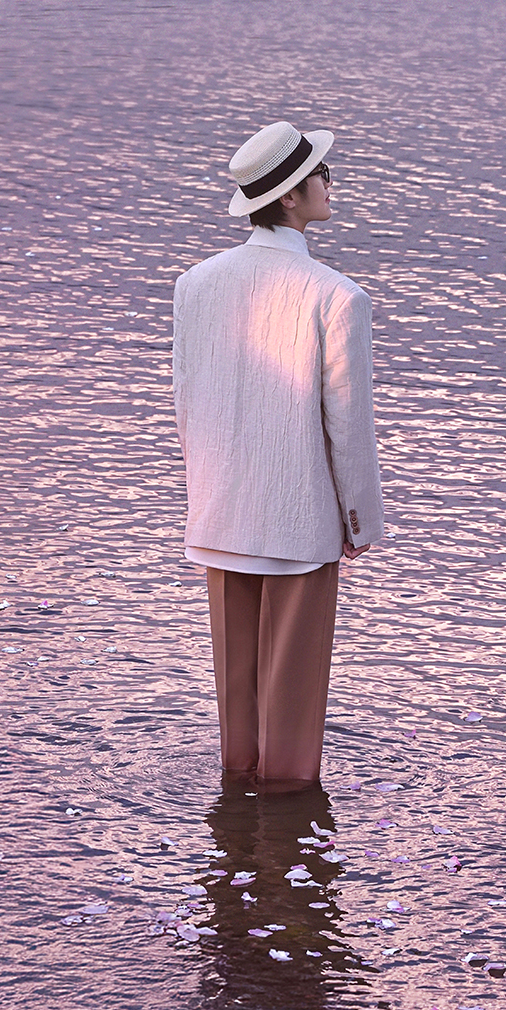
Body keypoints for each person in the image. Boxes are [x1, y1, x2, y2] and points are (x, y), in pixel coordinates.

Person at [172, 120, 383, 788]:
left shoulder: (195, 283)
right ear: (291, 196)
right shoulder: (337, 296)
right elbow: (348, 426)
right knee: (291, 721)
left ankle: (235, 817)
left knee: (237, 714)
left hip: (219, 515)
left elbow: (187, 403)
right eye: (323, 173)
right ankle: (287, 821)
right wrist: (359, 521)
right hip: (299, 523)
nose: (331, 184)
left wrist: (204, 497)